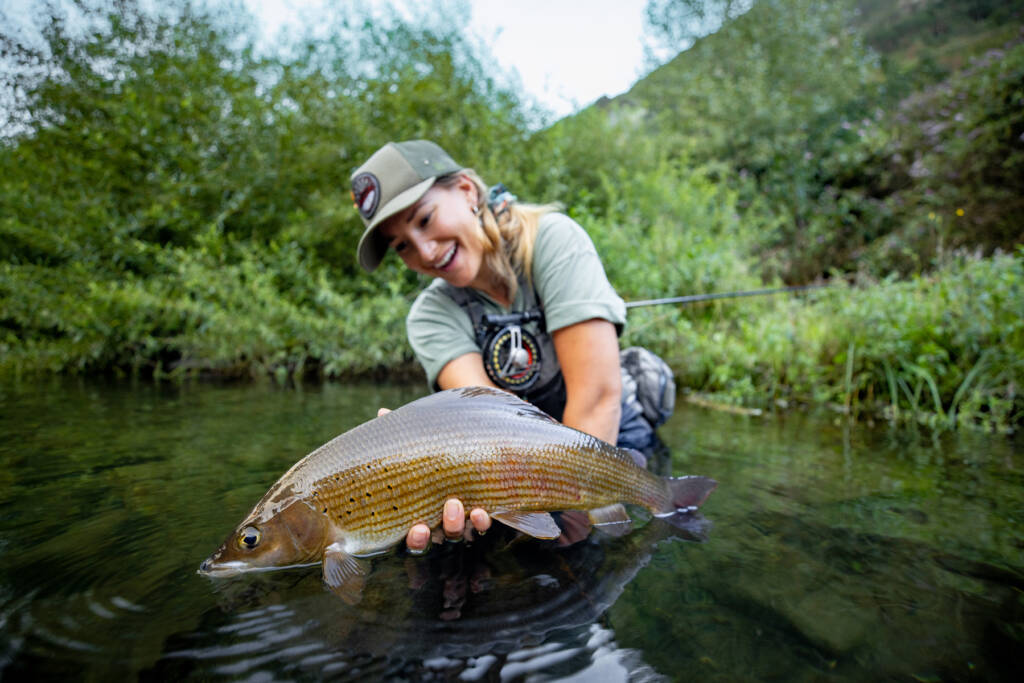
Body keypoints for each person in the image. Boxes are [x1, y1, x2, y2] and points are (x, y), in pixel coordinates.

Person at [350, 140, 672, 552]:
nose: (425, 251)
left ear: (467, 191)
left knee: (586, 557)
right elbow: (489, 424)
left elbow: (596, 400)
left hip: (608, 439)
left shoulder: (553, 241)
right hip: (520, 459)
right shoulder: (430, 315)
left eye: (425, 220)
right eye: (402, 246)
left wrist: (573, 518)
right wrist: (418, 459)